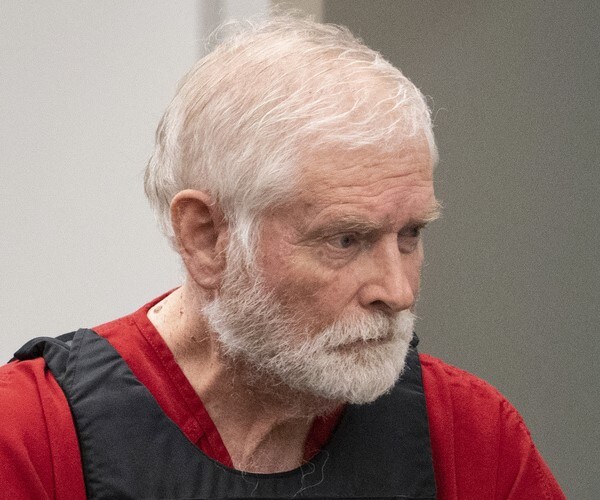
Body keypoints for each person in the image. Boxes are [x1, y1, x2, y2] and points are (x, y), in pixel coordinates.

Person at [0, 15, 564, 499]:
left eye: (410, 234)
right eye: (345, 240)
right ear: (207, 238)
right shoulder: (33, 437)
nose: (398, 292)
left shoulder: (468, 435)